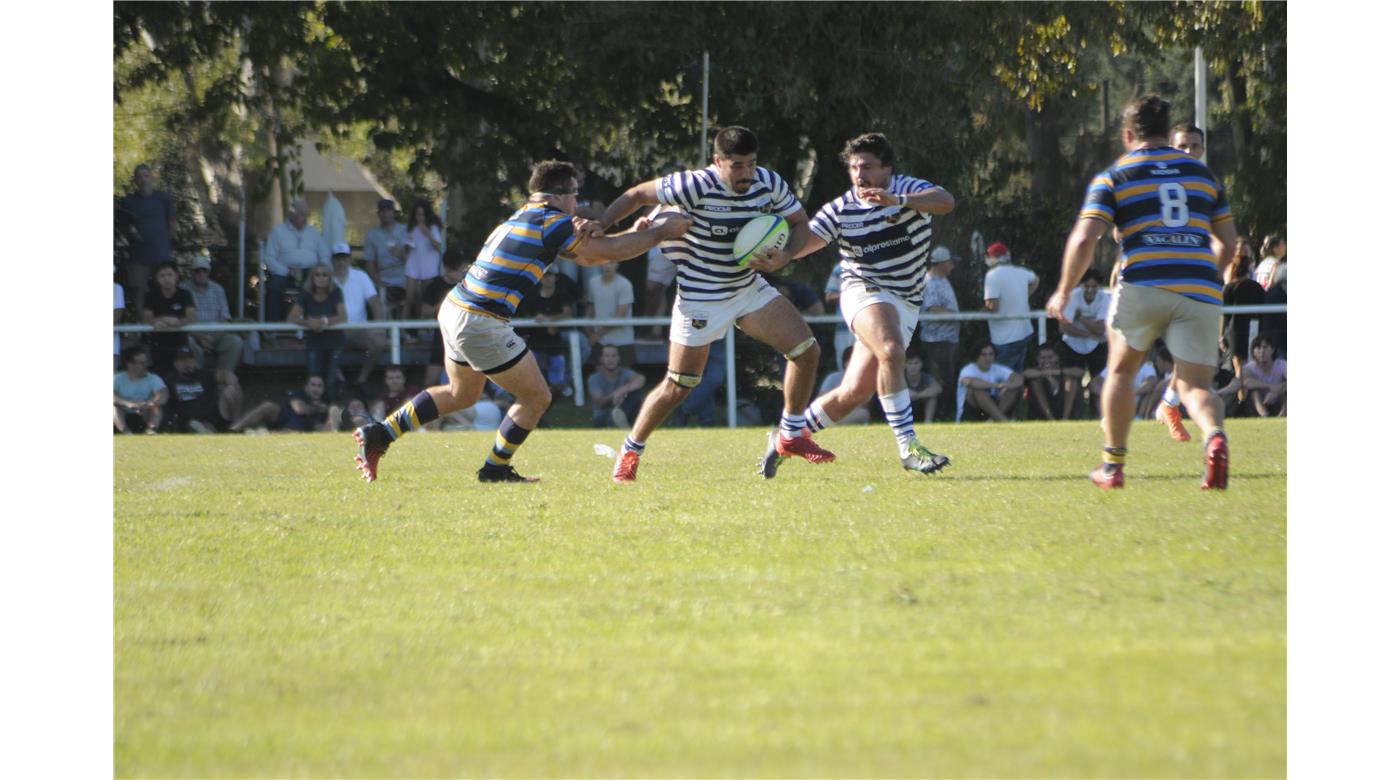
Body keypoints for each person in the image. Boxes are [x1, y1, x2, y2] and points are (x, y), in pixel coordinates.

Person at [350, 160, 691, 483]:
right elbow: (604, 254)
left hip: (455, 308)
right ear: (558, 195)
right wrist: (661, 232)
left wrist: (635, 231)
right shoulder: (553, 221)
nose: (577, 202)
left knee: (461, 393)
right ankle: (495, 469)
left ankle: (380, 432)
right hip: (480, 319)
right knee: (537, 398)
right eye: (575, 194)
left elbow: (590, 256)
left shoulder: (526, 216)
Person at [595, 126, 830, 483]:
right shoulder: (694, 185)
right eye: (737, 166)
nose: (747, 174)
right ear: (717, 161)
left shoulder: (768, 182)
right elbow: (635, 194)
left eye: (751, 164)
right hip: (701, 296)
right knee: (679, 385)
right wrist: (600, 225)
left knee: (806, 350)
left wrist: (784, 257)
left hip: (747, 288)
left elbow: (799, 223)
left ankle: (790, 435)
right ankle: (631, 450)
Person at [1047, 94, 1238, 490]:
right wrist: (1207, 279)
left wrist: (1064, 290)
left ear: (1129, 134)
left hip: (1143, 283)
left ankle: (1113, 467)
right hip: (1199, 285)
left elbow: (1085, 239)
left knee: (1120, 371)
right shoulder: (1202, 175)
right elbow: (1229, 243)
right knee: (1195, 386)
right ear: (1169, 134)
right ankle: (1214, 437)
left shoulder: (1116, 174)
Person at [765, 131, 956, 477]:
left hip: (907, 301)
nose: (859, 175)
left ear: (887, 168)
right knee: (892, 348)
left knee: (854, 392)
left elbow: (946, 202)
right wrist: (783, 256)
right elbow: (808, 239)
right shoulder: (842, 208)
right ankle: (909, 448)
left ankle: (786, 437)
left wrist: (898, 201)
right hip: (862, 289)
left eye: (867, 166)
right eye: (853, 168)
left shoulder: (907, 189)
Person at [1151, 123, 1212, 442]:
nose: (1189, 152)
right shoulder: (1152, 180)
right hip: (1148, 279)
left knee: (1193, 352)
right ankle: (1115, 420)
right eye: (1183, 146)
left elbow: (1219, 234)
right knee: (1125, 355)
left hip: (1191, 281)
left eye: (1195, 146)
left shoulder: (1208, 185)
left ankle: (1169, 405)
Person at [119, 164, 177, 318]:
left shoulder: (163, 198)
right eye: (139, 177)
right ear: (135, 180)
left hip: (161, 255)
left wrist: (166, 243)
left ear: (152, 177)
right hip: (138, 256)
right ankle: (143, 328)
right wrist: (131, 233)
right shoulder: (128, 201)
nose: (143, 180)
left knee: (165, 290)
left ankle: (164, 324)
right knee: (139, 292)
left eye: (146, 175)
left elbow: (172, 223)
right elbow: (124, 226)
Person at [515, 263, 580, 396]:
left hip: (554, 337)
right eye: (545, 276)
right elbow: (525, 313)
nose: (548, 279)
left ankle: (557, 390)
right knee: (531, 364)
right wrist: (538, 319)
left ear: (555, 278)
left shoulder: (562, 294)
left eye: (550, 276)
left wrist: (549, 321)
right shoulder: (532, 294)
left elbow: (567, 313)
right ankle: (531, 390)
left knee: (558, 363)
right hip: (535, 338)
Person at [285, 263, 346, 402]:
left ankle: (332, 411)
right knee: (314, 380)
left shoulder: (336, 292)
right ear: (312, 277)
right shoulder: (305, 294)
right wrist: (309, 323)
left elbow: (343, 316)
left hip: (335, 342)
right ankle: (315, 413)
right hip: (314, 342)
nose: (321, 278)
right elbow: (291, 317)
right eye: (317, 274)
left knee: (330, 380)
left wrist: (323, 321)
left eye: (325, 274)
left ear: (330, 277)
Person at [262, 197, 328, 324]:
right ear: (292, 214)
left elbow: (325, 255)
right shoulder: (278, 232)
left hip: (310, 272)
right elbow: (268, 257)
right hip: (285, 273)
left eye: (307, 214)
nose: (306, 218)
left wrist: (320, 268)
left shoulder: (313, 232)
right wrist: (286, 271)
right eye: (303, 214)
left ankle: (314, 325)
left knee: (320, 286)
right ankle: (272, 330)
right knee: (273, 289)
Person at [330, 242, 386, 390]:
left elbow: (375, 302)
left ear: (349, 259)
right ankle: (340, 381)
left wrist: (380, 327)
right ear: (332, 260)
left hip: (358, 330)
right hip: (332, 330)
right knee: (322, 342)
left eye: (344, 258)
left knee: (379, 343)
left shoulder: (361, 276)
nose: (341, 262)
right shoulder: (326, 278)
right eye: (337, 258)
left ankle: (362, 380)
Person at [180, 254, 243, 383]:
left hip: (216, 335)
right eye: (197, 270)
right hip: (193, 335)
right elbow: (182, 321)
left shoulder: (218, 289)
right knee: (189, 342)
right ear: (191, 273)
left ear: (209, 272)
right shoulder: (183, 289)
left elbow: (225, 319)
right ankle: (200, 380)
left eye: (204, 270)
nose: (201, 273)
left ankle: (224, 379)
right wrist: (201, 338)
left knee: (235, 342)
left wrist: (213, 339)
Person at [918, 245, 960, 420]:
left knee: (948, 379)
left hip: (947, 339)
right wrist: (958, 317)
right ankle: (938, 416)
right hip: (936, 341)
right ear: (942, 263)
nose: (952, 265)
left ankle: (943, 414)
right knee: (942, 381)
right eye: (950, 262)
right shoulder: (930, 282)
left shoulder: (942, 279)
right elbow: (933, 309)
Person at [983, 241, 1039, 372]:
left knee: (1002, 377)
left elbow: (992, 306)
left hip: (1005, 338)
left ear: (991, 258)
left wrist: (981, 310)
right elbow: (1036, 279)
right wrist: (1025, 295)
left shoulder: (992, 275)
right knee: (1016, 375)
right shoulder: (1020, 271)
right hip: (1024, 332)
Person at [166, 346, 243, 433]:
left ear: (194, 361)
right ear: (175, 364)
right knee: (194, 424)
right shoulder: (170, 380)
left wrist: (230, 384)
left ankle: (236, 425)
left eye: (190, 360)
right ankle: (206, 431)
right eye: (183, 361)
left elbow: (227, 375)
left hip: (212, 415)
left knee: (233, 389)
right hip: (189, 419)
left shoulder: (204, 374)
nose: (187, 364)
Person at [230, 374, 342, 433]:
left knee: (333, 412)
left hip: (304, 429)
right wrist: (318, 409)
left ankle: (333, 436)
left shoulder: (327, 400)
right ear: (306, 387)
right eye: (313, 385)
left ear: (323, 389)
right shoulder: (298, 394)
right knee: (267, 406)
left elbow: (333, 413)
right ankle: (235, 429)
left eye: (319, 386)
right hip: (286, 417)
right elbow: (299, 409)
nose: (316, 389)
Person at [141, 261, 197, 375]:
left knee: (183, 376)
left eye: (169, 275)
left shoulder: (185, 294)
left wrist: (177, 322)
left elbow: (192, 317)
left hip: (181, 344)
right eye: (162, 275)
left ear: (176, 276)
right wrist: (163, 320)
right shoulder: (151, 295)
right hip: (158, 344)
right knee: (162, 377)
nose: (166, 279)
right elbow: (147, 318)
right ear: (157, 278)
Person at [362, 198, 409, 317]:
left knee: (415, 293)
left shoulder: (405, 231)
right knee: (375, 299)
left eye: (389, 210)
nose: (386, 214)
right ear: (378, 214)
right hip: (384, 277)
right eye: (383, 211)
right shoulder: (372, 235)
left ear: (394, 212)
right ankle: (383, 330)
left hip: (405, 276)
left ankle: (409, 330)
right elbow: (369, 263)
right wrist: (378, 281)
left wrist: (400, 254)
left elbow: (414, 260)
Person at [402, 200, 444, 332]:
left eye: (422, 214)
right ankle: (402, 331)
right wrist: (406, 247)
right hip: (413, 265)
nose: (420, 217)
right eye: (417, 214)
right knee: (409, 298)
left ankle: (425, 330)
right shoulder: (410, 228)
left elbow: (438, 246)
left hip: (429, 267)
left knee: (426, 298)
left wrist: (427, 233)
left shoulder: (433, 228)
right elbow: (406, 249)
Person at [586, 260, 637, 367]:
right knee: (600, 377)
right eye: (605, 262)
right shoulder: (593, 282)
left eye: (611, 263)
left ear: (617, 264)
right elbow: (591, 308)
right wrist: (589, 331)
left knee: (625, 378)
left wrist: (597, 334)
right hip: (600, 342)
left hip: (622, 341)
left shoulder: (625, 284)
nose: (607, 266)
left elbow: (621, 316)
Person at [956, 342, 1024, 422]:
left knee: (1013, 388)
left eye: (991, 354)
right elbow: (969, 382)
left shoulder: (997, 368)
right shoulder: (968, 370)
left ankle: (994, 419)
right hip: (971, 412)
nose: (988, 358)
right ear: (976, 356)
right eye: (983, 355)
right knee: (977, 390)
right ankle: (1003, 420)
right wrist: (997, 386)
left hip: (992, 409)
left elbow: (1019, 378)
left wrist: (1008, 385)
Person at [587, 345, 646, 428]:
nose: (610, 359)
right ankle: (616, 422)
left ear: (619, 359)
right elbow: (599, 401)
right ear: (601, 359)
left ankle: (621, 421)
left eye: (614, 356)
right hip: (603, 416)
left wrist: (623, 391)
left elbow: (641, 379)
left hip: (624, 410)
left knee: (635, 393)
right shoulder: (594, 378)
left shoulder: (625, 373)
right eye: (607, 356)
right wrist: (614, 395)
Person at [114, 346, 168, 434]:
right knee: (113, 408)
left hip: (145, 410)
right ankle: (126, 432)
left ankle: (151, 431)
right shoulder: (117, 378)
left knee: (157, 408)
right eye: (141, 363)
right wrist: (128, 404)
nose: (145, 366)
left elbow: (163, 394)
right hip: (124, 409)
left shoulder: (153, 378)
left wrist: (150, 403)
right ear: (129, 364)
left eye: (146, 362)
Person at [1022, 342, 1082, 420]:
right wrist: (1043, 373)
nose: (1046, 360)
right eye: (1042, 358)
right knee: (1035, 381)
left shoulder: (1063, 369)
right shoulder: (1035, 370)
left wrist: (1055, 372)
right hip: (1040, 408)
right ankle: (1050, 418)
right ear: (1037, 359)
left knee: (1070, 381)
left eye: (1050, 357)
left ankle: (1065, 418)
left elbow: (1080, 372)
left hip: (1062, 403)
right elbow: (1025, 374)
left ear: (1057, 357)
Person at [1242, 334, 1287, 417]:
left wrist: (1277, 391)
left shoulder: (1281, 365)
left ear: (1272, 350)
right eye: (1258, 348)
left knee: (1285, 393)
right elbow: (1247, 383)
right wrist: (1271, 386)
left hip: (1277, 400)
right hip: (1259, 402)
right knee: (1254, 392)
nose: (1262, 351)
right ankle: (1264, 415)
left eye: (1265, 347)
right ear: (1253, 352)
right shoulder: (1249, 367)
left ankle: (1283, 415)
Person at [903, 350, 942, 423]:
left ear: (921, 364)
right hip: (905, 405)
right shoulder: (900, 378)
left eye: (916, 363)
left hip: (921, 405)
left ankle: (928, 422)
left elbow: (937, 388)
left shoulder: (926, 377)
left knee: (932, 397)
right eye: (910, 363)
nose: (913, 367)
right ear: (905, 365)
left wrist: (919, 395)